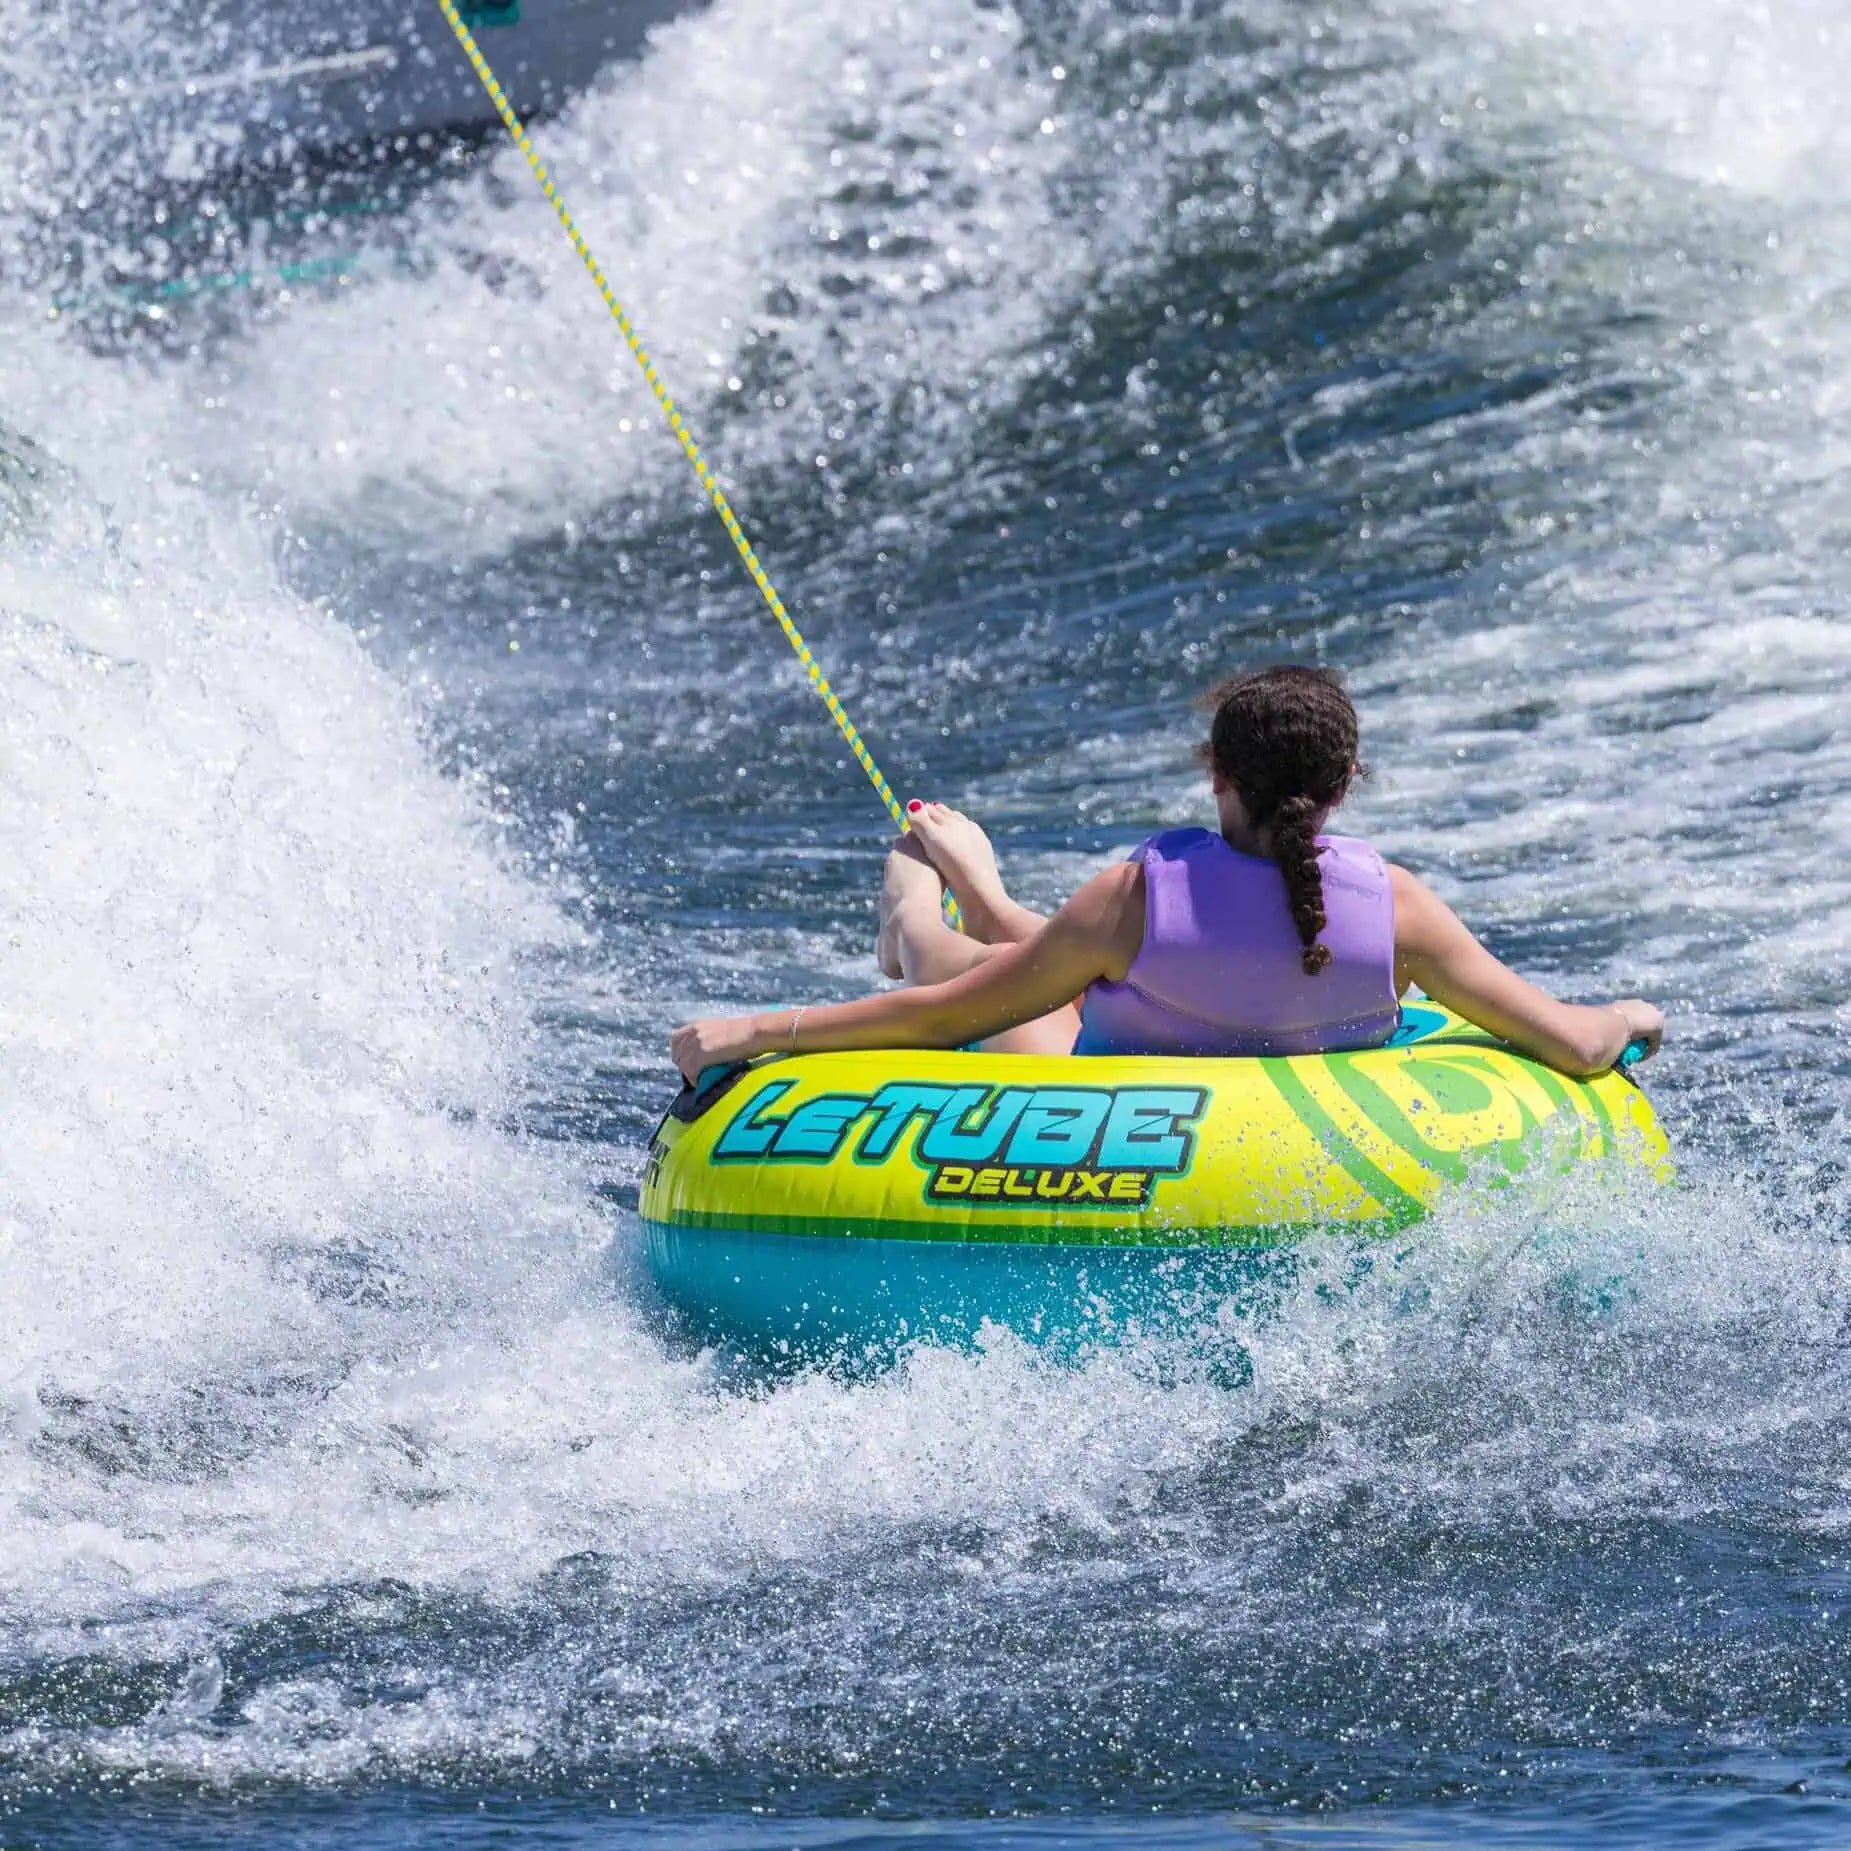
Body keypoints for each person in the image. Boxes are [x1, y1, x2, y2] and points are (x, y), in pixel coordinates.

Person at [669, 666, 1664, 1084]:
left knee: (960, 969)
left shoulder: (1137, 893)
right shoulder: (1398, 907)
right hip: (1196, 1042)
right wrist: (1630, 1014)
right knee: (1054, 956)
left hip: (1109, 1060)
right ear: (1345, 787)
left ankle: (926, 903)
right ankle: (965, 897)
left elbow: (944, 1019)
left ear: (1215, 775)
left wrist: (759, 1032)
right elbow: (1578, 1047)